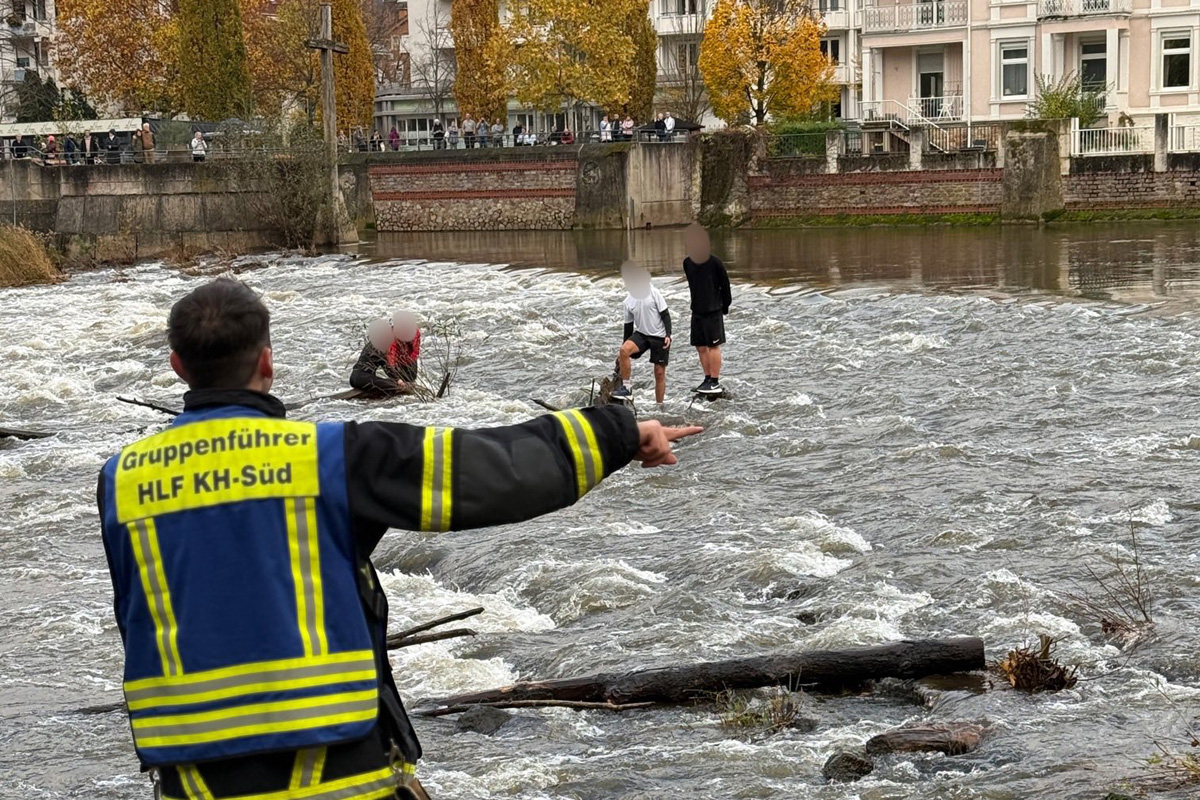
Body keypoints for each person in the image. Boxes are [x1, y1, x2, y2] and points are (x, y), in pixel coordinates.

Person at [97, 279, 700, 800]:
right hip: (338, 768)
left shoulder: (119, 481)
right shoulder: (330, 457)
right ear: (268, 362)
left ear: (177, 366)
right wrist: (620, 433)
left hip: (191, 777)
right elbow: (491, 472)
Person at [612, 262, 672, 404]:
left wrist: (668, 335)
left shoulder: (654, 293)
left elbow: (665, 315)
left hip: (660, 336)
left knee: (659, 373)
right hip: (642, 335)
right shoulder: (628, 301)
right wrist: (621, 354)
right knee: (624, 350)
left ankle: (659, 405)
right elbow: (628, 327)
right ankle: (627, 389)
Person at [683, 223, 731, 394]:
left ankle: (715, 381)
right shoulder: (687, 263)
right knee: (700, 346)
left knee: (714, 346)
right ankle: (707, 378)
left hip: (713, 309)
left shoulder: (715, 262)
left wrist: (725, 306)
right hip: (696, 310)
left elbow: (725, 285)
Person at [349, 314, 421, 394]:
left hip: (367, 376)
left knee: (400, 384)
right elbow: (387, 365)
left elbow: (411, 370)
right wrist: (398, 380)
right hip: (360, 378)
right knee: (396, 387)